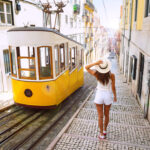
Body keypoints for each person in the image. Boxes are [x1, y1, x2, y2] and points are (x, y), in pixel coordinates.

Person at [85, 59, 117, 139]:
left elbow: (86, 67)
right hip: (108, 96)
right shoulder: (112, 75)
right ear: (107, 67)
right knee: (106, 115)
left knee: (100, 116)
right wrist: (115, 96)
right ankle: (105, 130)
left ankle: (101, 134)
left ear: (100, 68)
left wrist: (96, 63)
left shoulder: (97, 74)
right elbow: (113, 87)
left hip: (99, 95)